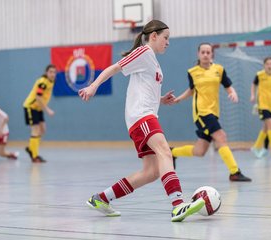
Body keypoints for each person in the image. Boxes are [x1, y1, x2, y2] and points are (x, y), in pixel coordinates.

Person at [79, 20, 205, 222]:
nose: (168, 42)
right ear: (153, 36)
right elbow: (114, 68)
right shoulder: (144, 52)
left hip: (144, 116)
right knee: (165, 151)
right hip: (141, 116)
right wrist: (93, 86)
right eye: (166, 38)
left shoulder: (153, 60)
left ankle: (101, 198)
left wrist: (161, 99)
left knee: (151, 172)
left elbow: (145, 88)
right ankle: (178, 205)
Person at [170, 43, 251, 182]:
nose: (206, 54)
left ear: (212, 54)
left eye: (208, 52)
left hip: (214, 112)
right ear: (199, 54)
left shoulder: (219, 70)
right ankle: (234, 172)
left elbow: (228, 86)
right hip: (201, 113)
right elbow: (191, 89)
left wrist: (233, 93)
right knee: (221, 137)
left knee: (200, 151)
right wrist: (179, 99)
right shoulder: (192, 72)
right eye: (203, 52)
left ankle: (172, 152)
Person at [250, 57, 271, 158]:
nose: (269, 65)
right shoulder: (259, 75)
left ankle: (256, 147)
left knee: (265, 128)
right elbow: (253, 84)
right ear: (264, 65)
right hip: (263, 104)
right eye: (267, 64)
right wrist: (252, 95)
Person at [23, 64, 56, 163]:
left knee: (42, 130)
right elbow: (38, 97)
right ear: (46, 72)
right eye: (50, 72)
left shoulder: (51, 81)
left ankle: (30, 148)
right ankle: (34, 156)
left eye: (54, 72)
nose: (53, 74)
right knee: (36, 130)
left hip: (38, 108)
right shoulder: (43, 82)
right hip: (31, 107)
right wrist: (48, 109)